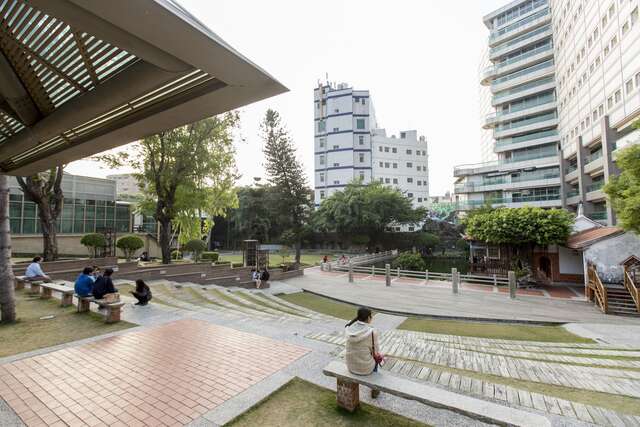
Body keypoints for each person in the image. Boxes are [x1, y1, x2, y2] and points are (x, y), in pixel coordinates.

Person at [345, 307, 383, 398]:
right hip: (365, 369)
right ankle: (375, 388)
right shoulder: (372, 332)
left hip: (350, 366)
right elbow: (376, 353)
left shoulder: (349, 328)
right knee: (377, 360)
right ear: (369, 318)